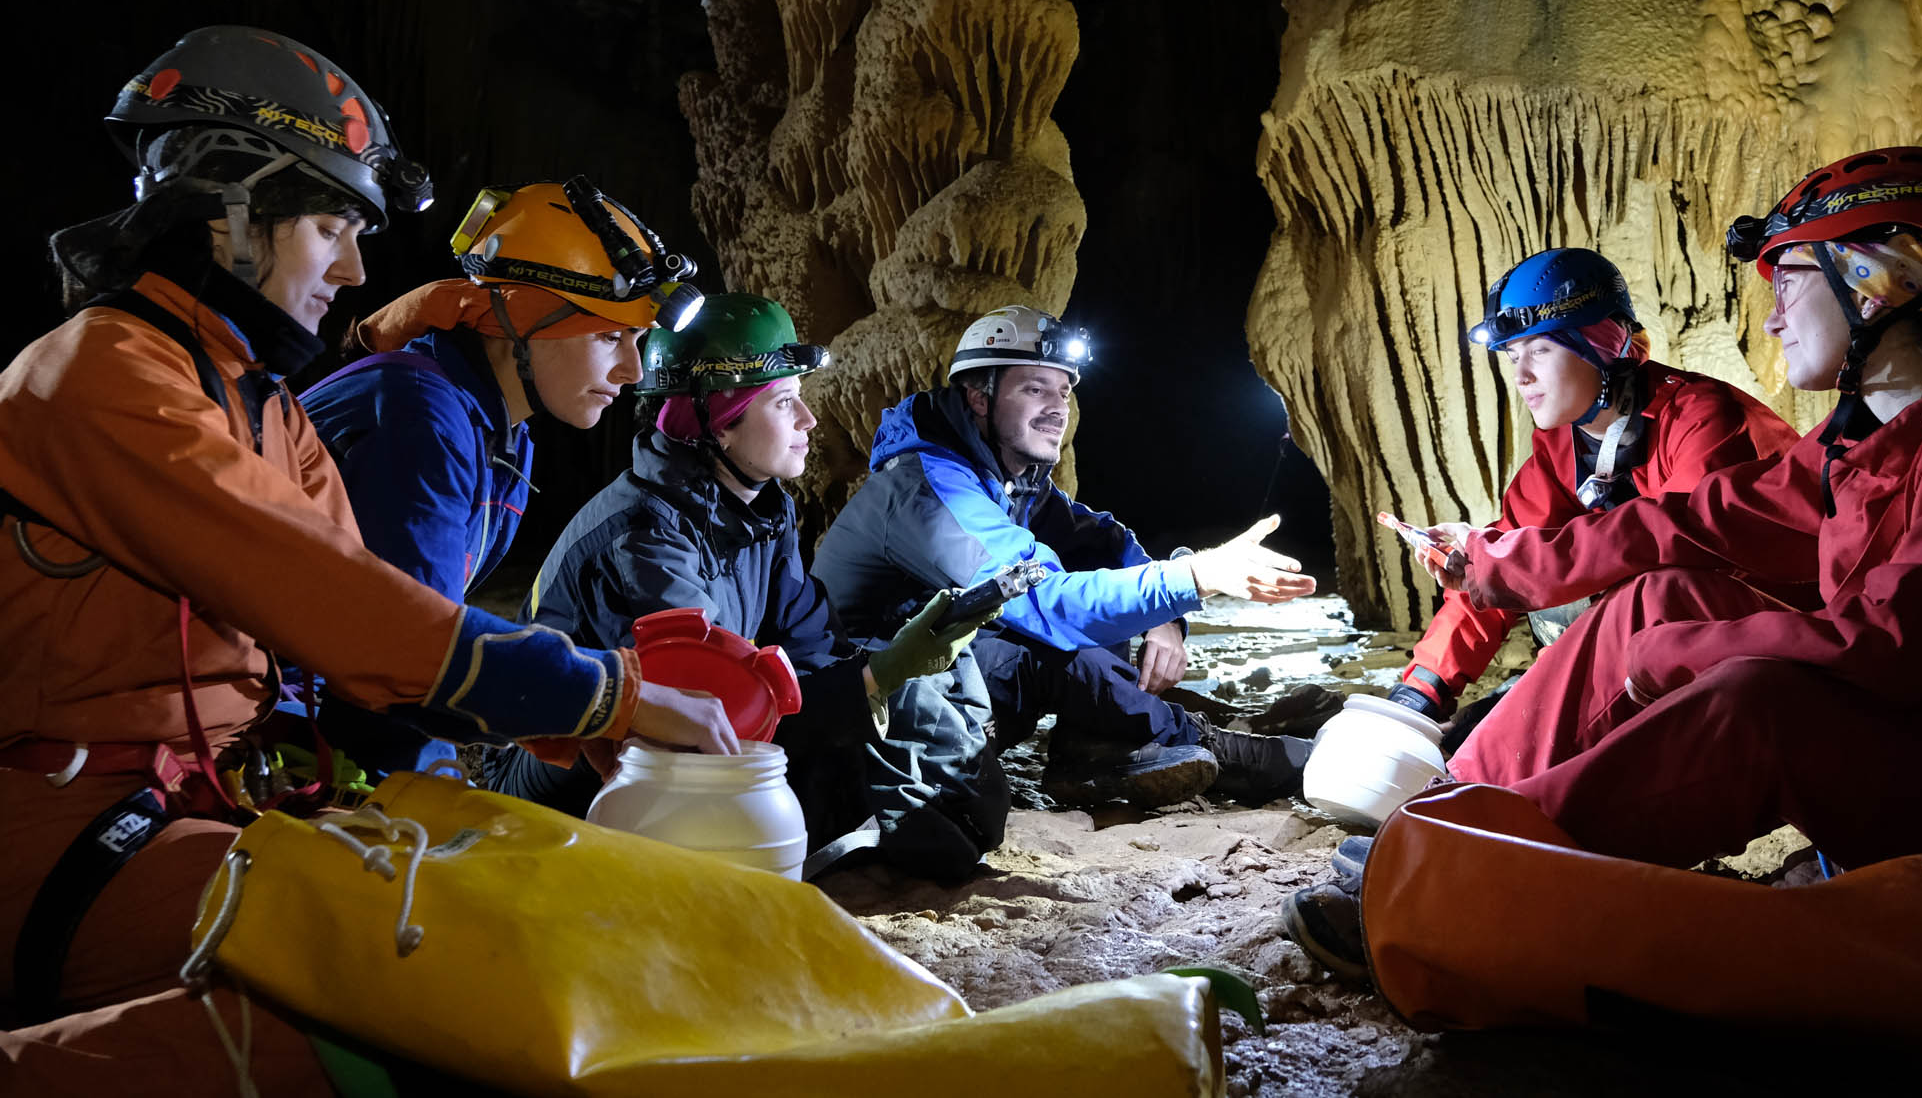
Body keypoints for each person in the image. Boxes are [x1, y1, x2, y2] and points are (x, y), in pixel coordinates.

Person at [0, 27, 738, 1094]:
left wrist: (553, 726)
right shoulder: (99, 378)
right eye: (332, 228)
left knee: (525, 912)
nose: (359, 270)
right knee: (441, 1000)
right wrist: (602, 695)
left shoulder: (267, 406)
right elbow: (349, 611)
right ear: (229, 217)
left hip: (210, 810)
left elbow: (352, 637)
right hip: (56, 838)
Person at [1284, 148, 1922, 983]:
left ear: (1876, 281)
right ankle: (1442, 820)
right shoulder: (1879, 431)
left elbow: (1884, 646)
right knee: (1658, 598)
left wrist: (1687, 653)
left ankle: (1460, 881)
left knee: (1754, 703)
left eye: (1791, 279)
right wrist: (1508, 566)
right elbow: (1689, 524)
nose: (1771, 317)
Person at [486, 295, 1002, 878]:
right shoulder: (645, 539)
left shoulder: (760, 509)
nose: (808, 421)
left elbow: (813, 647)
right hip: (559, 783)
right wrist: (882, 675)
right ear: (720, 426)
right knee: (838, 717)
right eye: (785, 402)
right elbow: (704, 712)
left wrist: (892, 677)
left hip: (680, 745)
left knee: (876, 724)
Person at [811, 305, 1322, 809]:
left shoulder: (1011, 482)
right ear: (978, 397)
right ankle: (1230, 755)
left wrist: (1166, 620)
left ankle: (1095, 752)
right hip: (866, 716)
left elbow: (1107, 543)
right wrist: (1193, 577)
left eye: (1064, 390)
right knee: (1056, 649)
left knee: (1101, 601)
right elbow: (1046, 606)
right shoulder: (929, 488)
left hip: (943, 684)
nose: (1057, 407)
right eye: (1034, 388)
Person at [298, 178, 694, 777]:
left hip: (333, 729)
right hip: (274, 734)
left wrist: (553, 714)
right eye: (610, 335)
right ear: (524, 324)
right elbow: (409, 661)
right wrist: (601, 701)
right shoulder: (419, 415)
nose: (633, 369)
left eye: (638, 340)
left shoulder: (503, 438)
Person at [1385, 247, 1797, 731]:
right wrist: (1422, 689)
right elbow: (1503, 555)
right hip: (1648, 647)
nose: (1521, 376)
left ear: (1602, 345)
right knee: (1520, 622)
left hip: (1764, 645)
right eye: (1514, 356)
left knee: (1602, 592)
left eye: (1540, 349)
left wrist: (1509, 559)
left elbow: (1680, 552)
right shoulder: (1560, 448)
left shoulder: (1699, 417)